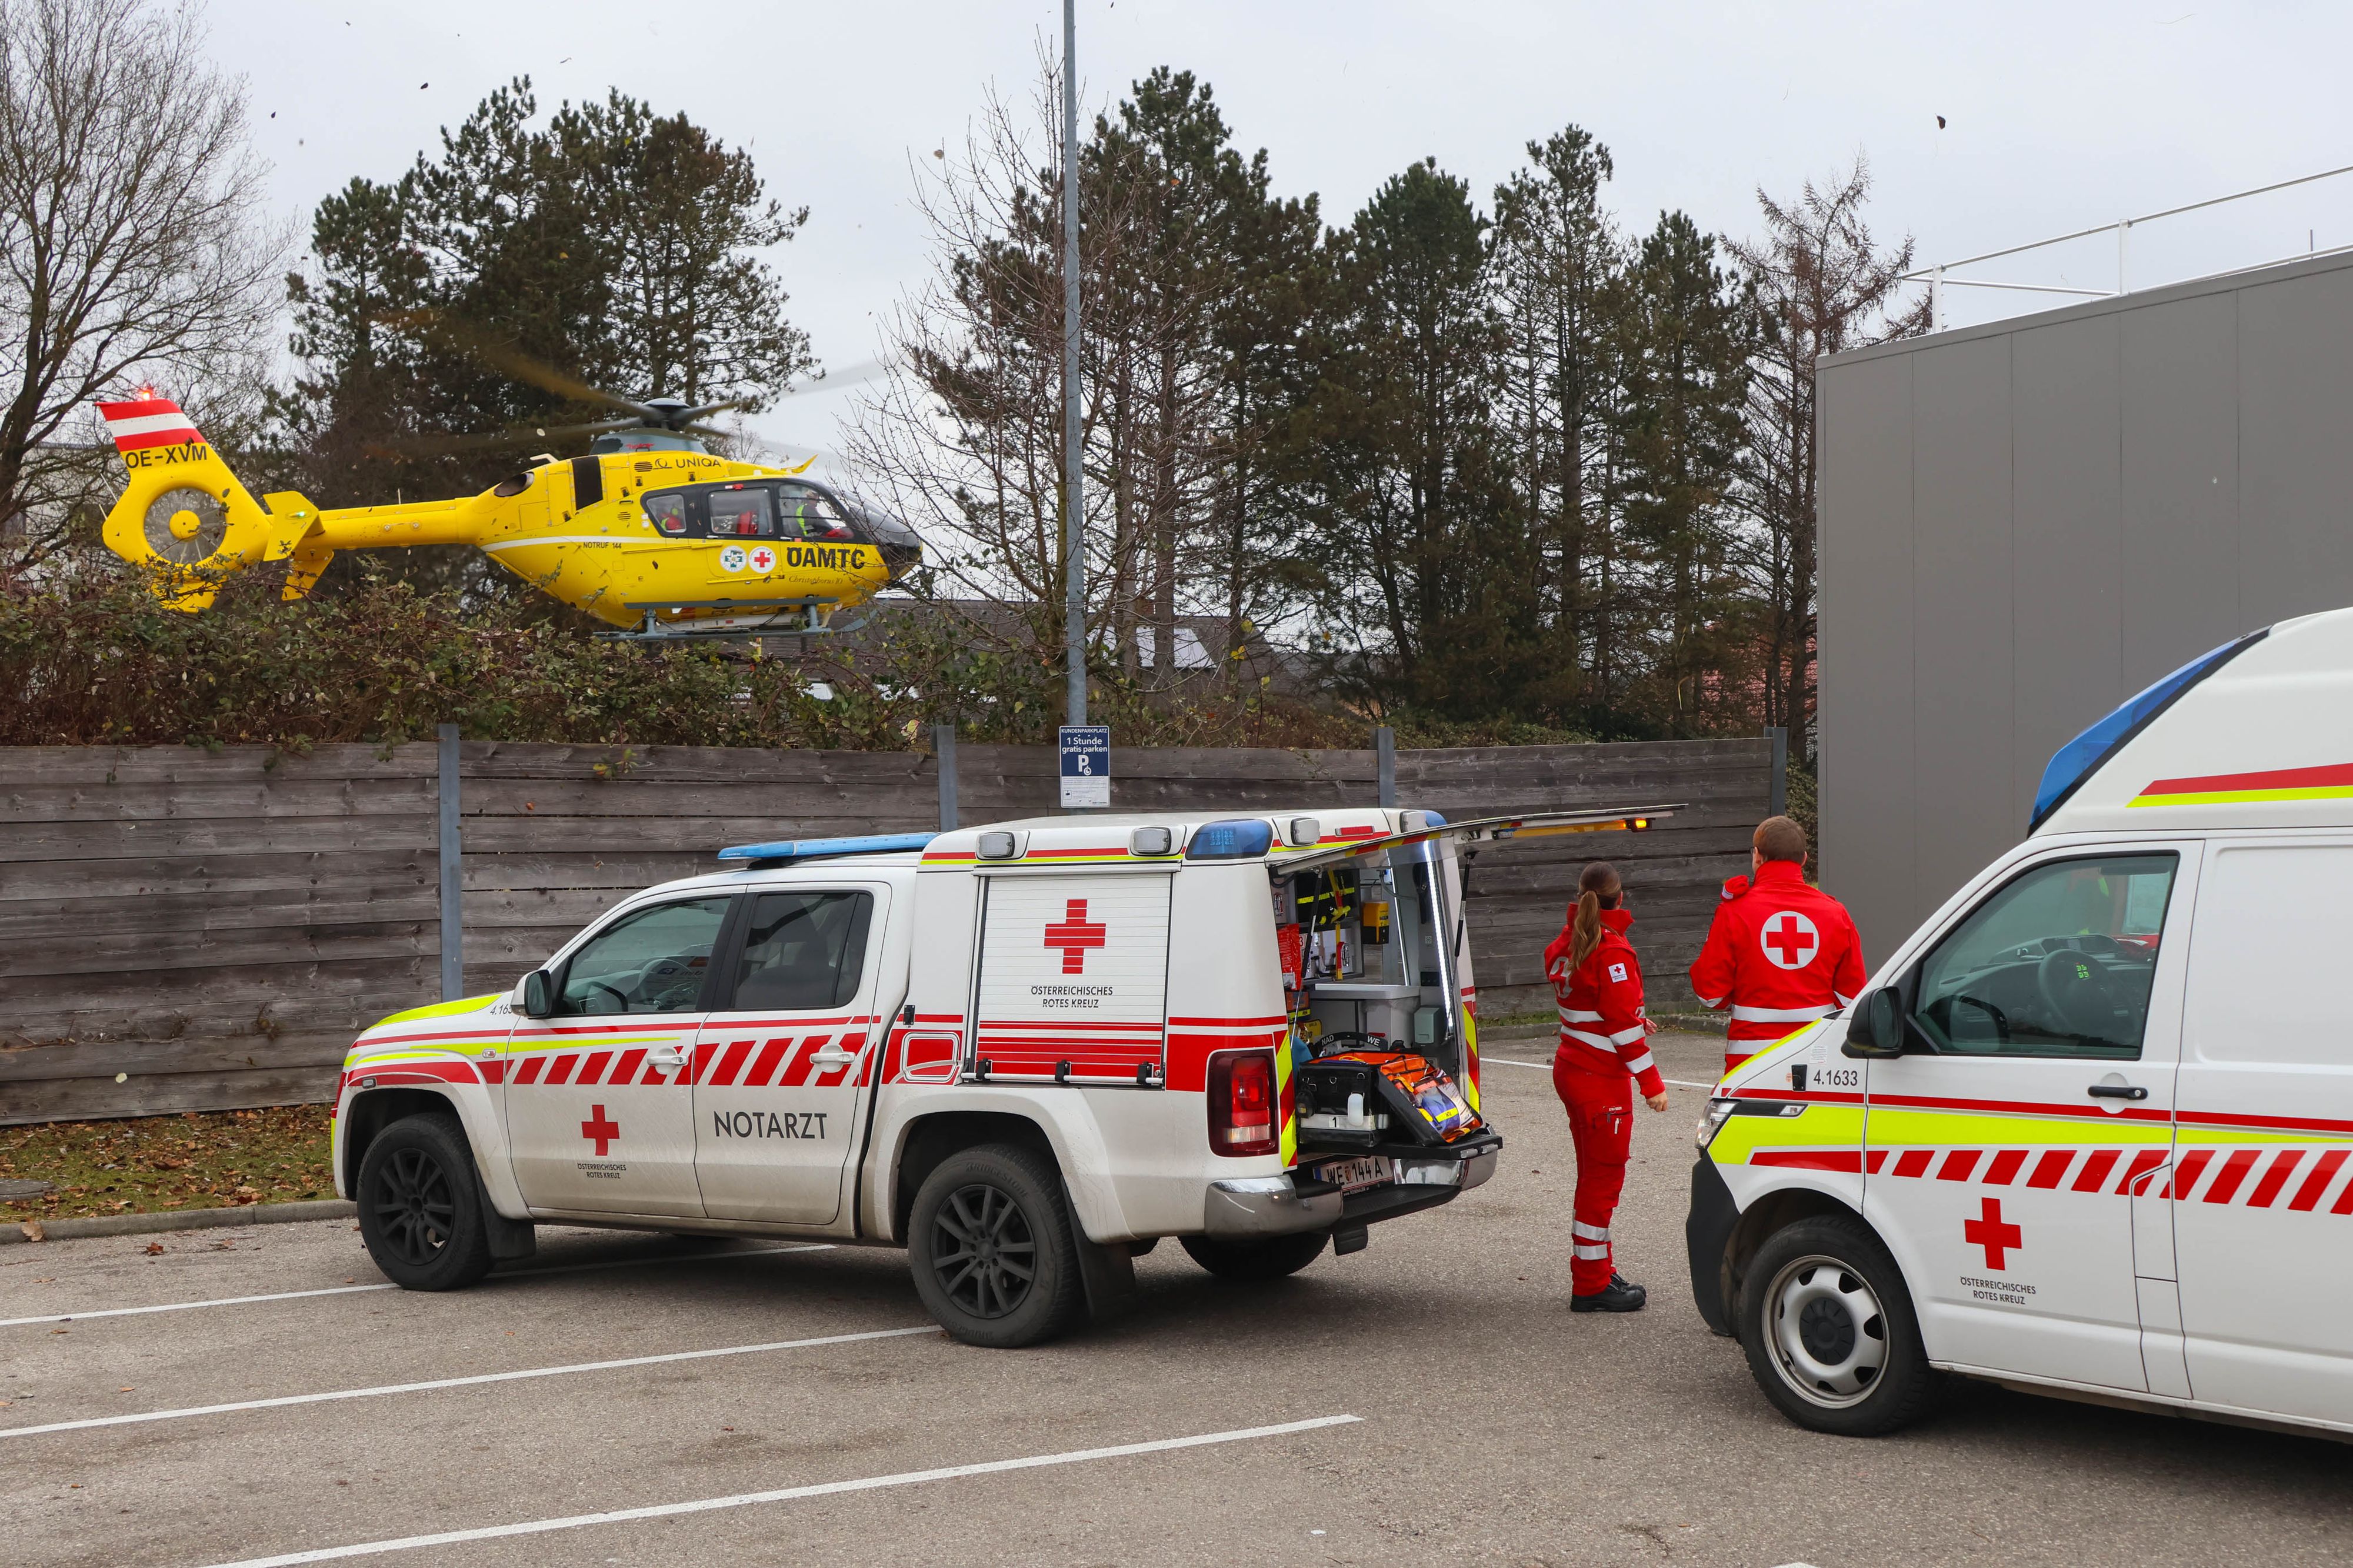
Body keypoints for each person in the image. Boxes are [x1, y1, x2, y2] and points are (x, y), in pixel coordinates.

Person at [1545, 860, 1671, 1313]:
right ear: (1620, 898)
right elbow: (1621, 1028)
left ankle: (1596, 1269)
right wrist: (1652, 1084)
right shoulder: (1611, 950)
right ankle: (1592, 1285)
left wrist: (1633, 1018)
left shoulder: (1568, 942)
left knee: (1592, 1178)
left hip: (1573, 1069)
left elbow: (1591, 1009)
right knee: (1601, 1184)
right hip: (1600, 1082)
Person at [1688, 815, 1867, 1076]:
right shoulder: (1835, 912)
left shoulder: (1734, 911)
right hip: (1816, 1056)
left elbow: (1710, 995)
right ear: (1804, 859)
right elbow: (1852, 998)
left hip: (1750, 1059)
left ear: (1757, 856)